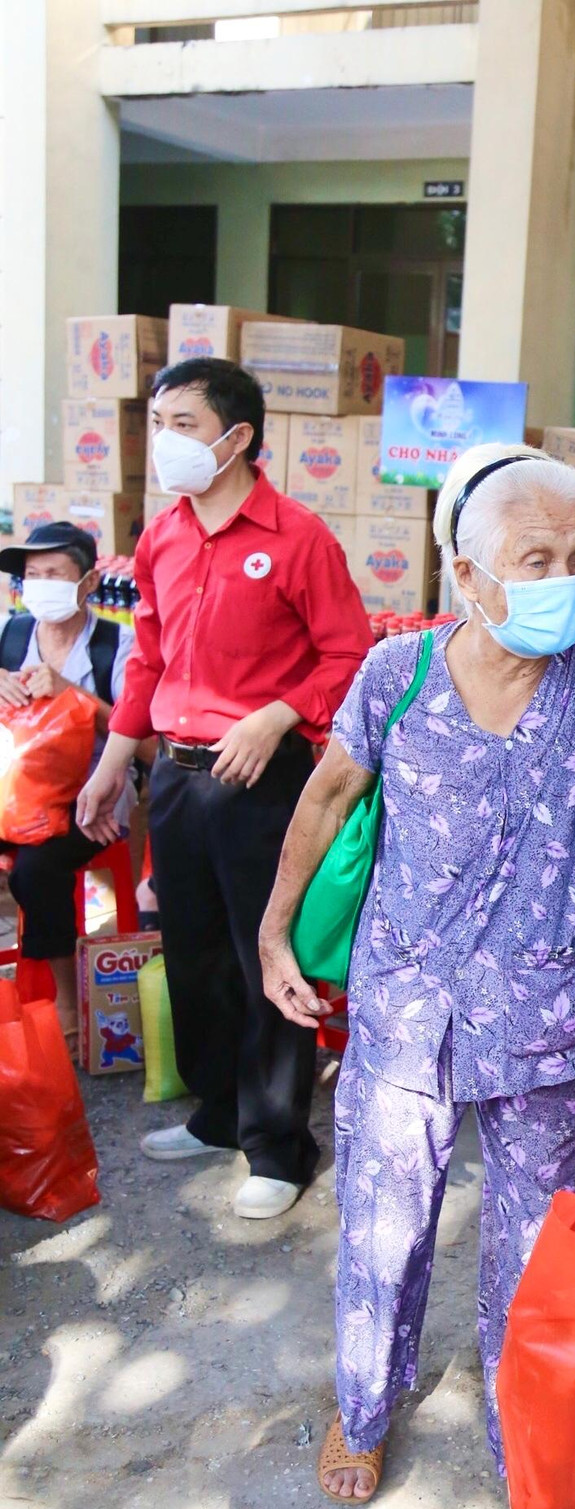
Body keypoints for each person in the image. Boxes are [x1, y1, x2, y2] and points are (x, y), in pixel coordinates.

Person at [256, 443, 575, 1503]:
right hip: (404, 1015)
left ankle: (522, 1420)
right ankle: (363, 1409)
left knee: (528, 1249)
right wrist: (275, 934)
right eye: (533, 557)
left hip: (542, 1025)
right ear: (465, 575)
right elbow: (324, 801)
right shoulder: (396, 673)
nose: (562, 578)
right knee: (382, 1231)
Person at [76, 358, 372, 1220]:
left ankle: (279, 1142)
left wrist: (276, 715)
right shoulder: (163, 534)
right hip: (176, 773)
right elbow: (148, 660)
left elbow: (348, 657)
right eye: (156, 423)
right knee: (195, 951)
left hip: (262, 779)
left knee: (263, 956)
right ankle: (217, 1113)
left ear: (237, 437)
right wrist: (112, 765)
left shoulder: (298, 537)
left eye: (181, 424)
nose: (162, 441)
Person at [0, 521, 139, 1042]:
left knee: (35, 870)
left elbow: (142, 740)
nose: (39, 583)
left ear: (86, 582)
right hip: (16, 793)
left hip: (93, 797)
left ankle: (65, 1005)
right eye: (32, 574)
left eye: (53, 573)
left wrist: (71, 694)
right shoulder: (11, 634)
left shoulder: (115, 644)